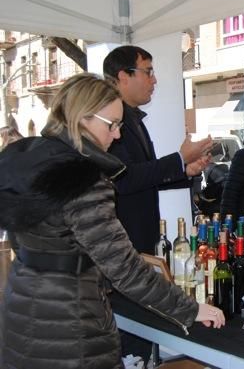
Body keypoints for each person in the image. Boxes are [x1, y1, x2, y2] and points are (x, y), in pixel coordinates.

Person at [0, 73, 225, 369]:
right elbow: (125, 268)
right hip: (70, 323)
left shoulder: (31, 160)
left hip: (21, 304)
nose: (117, 135)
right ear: (83, 118)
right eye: (113, 125)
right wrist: (190, 308)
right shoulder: (82, 178)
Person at [103, 45, 213, 255]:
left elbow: (145, 175)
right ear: (123, 76)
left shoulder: (134, 119)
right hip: (123, 244)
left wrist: (185, 170)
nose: (154, 80)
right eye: (148, 71)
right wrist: (180, 159)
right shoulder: (112, 122)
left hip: (141, 240)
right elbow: (124, 178)